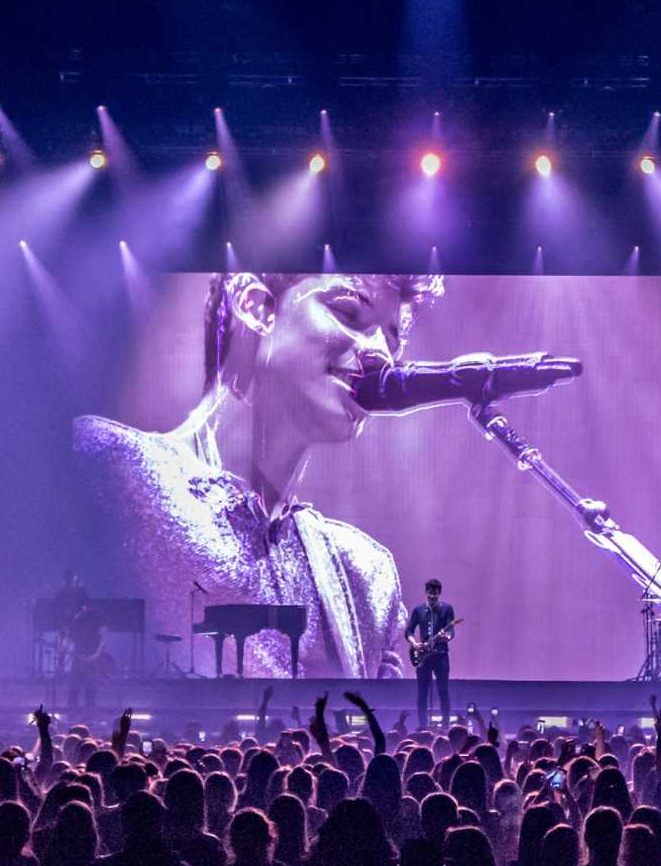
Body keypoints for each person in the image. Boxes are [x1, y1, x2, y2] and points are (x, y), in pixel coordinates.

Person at [74, 272, 443, 679]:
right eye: (349, 313)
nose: (381, 355)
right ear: (258, 308)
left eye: (393, 340)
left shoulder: (365, 573)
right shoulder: (107, 465)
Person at [405, 579, 457, 729]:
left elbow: (451, 630)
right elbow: (408, 631)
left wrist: (446, 637)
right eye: (430, 593)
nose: (432, 596)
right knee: (422, 692)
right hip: (423, 657)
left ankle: (445, 726)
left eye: (435, 593)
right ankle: (422, 726)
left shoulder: (447, 609)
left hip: (440, 655)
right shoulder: (418, 610)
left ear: (439, 593)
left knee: (443, 690)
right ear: (426, 592)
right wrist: (414, 643)